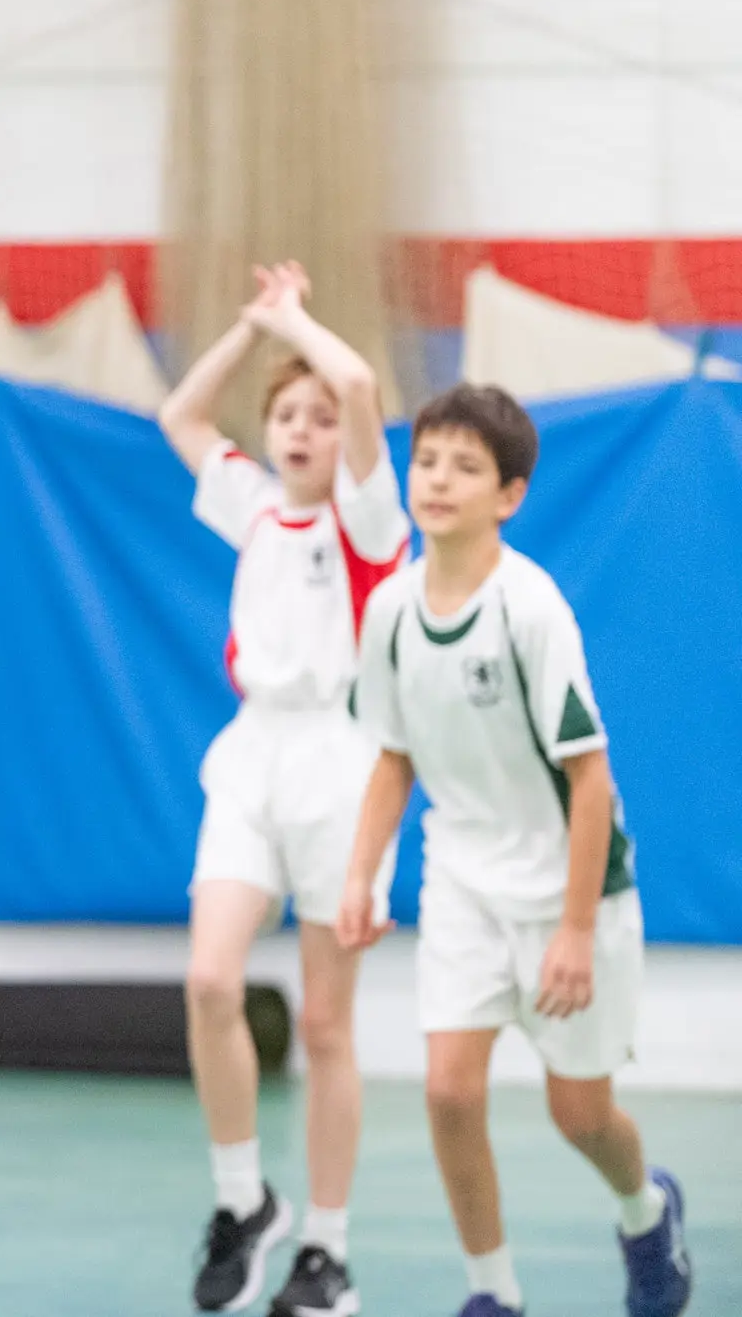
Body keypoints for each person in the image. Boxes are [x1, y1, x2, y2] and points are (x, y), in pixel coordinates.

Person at [337, 384, 690, 1317]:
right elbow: (393, 756)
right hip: (461, 878)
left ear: (511, 494)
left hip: (570, 889)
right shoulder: (392, 612)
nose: (438, 480)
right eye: (427, 461)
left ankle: (645, 1210)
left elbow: (590, 782)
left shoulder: (530, 609)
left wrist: (575, 930)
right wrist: (360, 874)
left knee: (579, 1113)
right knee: (451, 1092)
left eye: (466, 466)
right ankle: (492, 1291)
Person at [157, 262, 405, 1317]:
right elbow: (179, 412)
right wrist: (250, 325)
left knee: (327, 1030)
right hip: (251, 757)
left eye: (315, 416)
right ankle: (242, 1201)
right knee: (211, 982)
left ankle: (328, 1250)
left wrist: (299, 322)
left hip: (342, 769)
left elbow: (358, 391)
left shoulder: (368, 525)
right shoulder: (254, 507)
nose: (302, 428)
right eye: (284, 415)